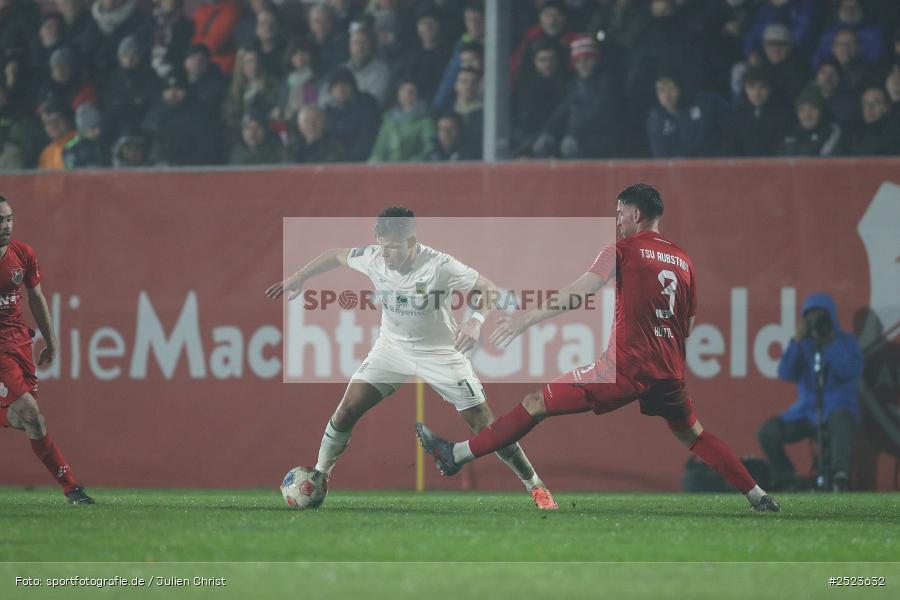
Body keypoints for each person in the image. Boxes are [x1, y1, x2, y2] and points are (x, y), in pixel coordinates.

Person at [417, 184, 780, 513]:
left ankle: (455, 455)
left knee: (534, 404)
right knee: (693, 434)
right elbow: (687, 326)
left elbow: (579, 292)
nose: (618, 221)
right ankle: (757, 495)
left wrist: (524, 320)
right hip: (668, 371)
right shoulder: (684, 261)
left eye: (620, 213)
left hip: (623, 368)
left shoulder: (622, 251)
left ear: (636, 214)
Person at [265, 207, 558, 510]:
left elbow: (488, 289)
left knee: (486, 427)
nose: (387, 254)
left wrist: (474, 322)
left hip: (441, 354)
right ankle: (320, 476)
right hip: (391, 350)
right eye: (383, 245)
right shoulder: (373, 257)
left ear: (412, 242)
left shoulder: (438, 265)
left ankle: (535, 485)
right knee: (345, 411)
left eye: (394, 247)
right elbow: (337, 255)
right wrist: (300, 276)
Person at [0, 195, 93, 504]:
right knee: (30, 411)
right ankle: (72, 487)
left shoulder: (23, 254)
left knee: (32, 420)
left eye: (9, 219)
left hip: (19, 346)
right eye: (0, 220)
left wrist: (51, 343)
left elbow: (37, 299)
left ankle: (71, 488)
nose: (6, 225)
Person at [758, 293, 863, 492]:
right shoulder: (803, 345)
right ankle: (788, 479)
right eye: (811, 318)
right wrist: (797, 341)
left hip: (838, 406)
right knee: (769, 431)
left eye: (821, 318)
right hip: (805, 411)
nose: (816, 323)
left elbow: (851, 369)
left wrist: (830, 342)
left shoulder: (846, 341)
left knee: (841, 421)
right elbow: (786, 373)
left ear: (831, 318)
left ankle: (840, 476)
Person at [368, 79, 434, 163]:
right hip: (388, 168)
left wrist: (414, 163)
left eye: (411, 91)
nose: (406, 94)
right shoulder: (388, 120)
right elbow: (380, 148)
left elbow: (429, 148)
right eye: (403, 90)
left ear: (417, 95)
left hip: (412, 169)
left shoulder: (425, 121)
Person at [778, 88, 843, 157]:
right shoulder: (789, 134)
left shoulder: (831, 132)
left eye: (812, 108)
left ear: (821, 111)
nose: (807, 115)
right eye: (802, 110)